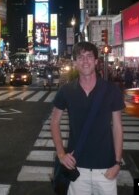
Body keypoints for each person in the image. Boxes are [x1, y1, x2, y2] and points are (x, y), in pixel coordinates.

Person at [50, 41, 125, 195]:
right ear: (75, 62)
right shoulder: (66, 90)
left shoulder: (111, 90)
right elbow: (54, 122)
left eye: (89, 56)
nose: (85, 61)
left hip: (106, 168)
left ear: (96, 61)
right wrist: (61, 154)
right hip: (76, 168)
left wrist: (117, 163)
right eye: (80, 57)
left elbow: (117, 127)